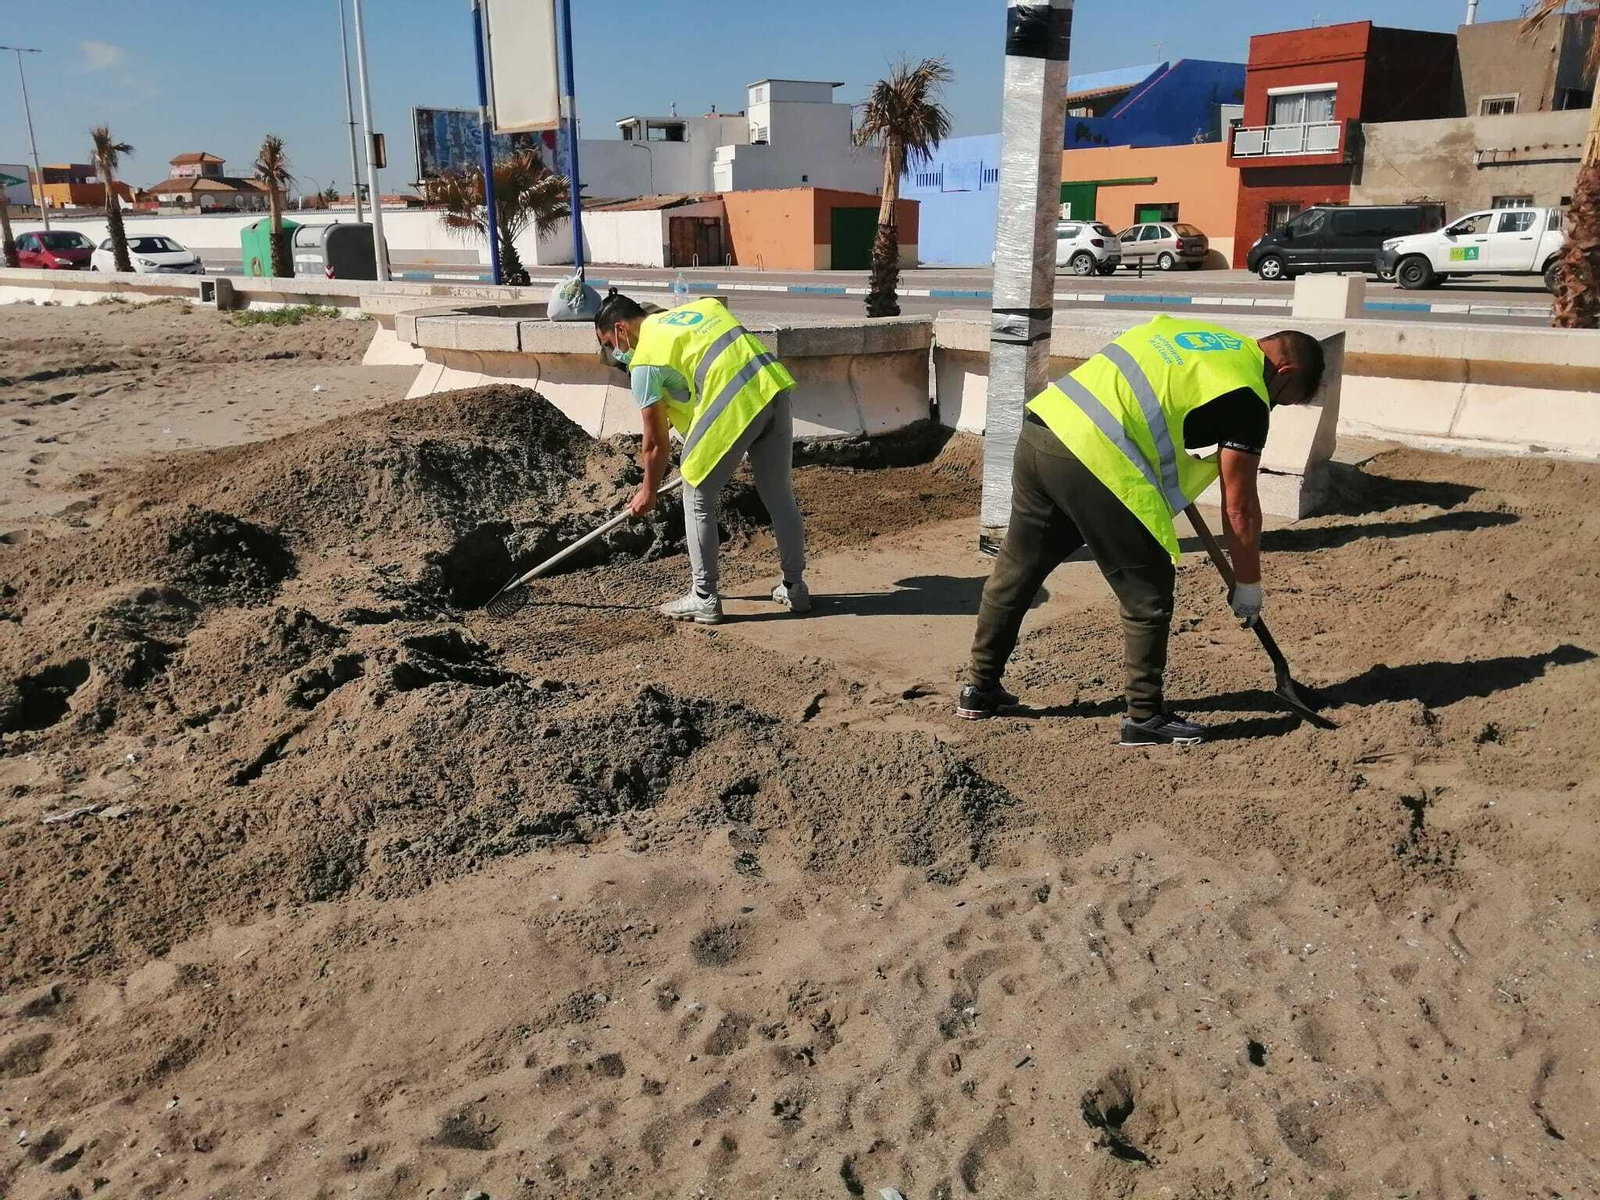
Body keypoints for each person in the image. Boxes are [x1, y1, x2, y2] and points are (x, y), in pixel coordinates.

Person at [957, 314, 1325, 746]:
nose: (1274, 406)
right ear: (1286, 372)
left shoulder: (1200, 338)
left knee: (1018, 570)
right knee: (1147, 590)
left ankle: (980, 688)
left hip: (1044, 431)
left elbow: (1154, 399)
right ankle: (1145, 717)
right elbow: (1239, 507)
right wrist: (1248, 584)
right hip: (1094, 459)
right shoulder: (1247, 394)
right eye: (1284, 399)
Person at [594, 289, 809, 624]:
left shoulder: (645, 361)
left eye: (609, 343)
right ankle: (795, 588)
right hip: (771, 386)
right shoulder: (699, 310)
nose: (614, 353)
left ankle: (704, 597)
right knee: (779, 495)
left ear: (620, 328)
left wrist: (648, 491)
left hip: (734, 401)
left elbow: (655, 444)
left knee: (696, 493)